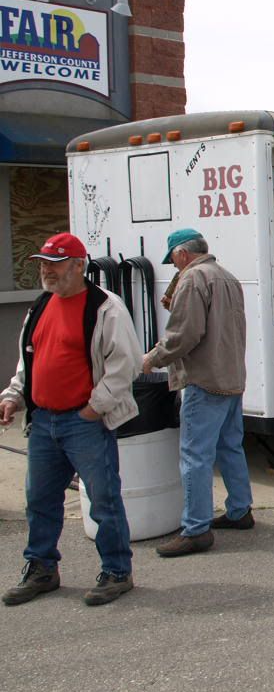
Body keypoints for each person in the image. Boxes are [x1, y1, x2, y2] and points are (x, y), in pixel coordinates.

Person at [1, 233, 142, 606]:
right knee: (40, 500)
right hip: (44, 422)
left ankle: (116, 571)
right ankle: (41, 568)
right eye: (42, 263)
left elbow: (125, 365)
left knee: (103, 500)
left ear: (78, 265)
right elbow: (28, 359)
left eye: (54, 263)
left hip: (84, 422)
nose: (46, 271)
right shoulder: (41, 305)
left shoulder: (105, 307)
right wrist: (14, 396)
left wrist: (94, 408)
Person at [144, 229, 254, 557]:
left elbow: (184, 335)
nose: (174, 267)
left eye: (173, 260)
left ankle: (196, 529)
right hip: (231, 377)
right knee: (230, 447)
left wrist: (152, 359)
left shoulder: (193, 279)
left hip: (204, 380)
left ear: (182, 254)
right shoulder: (227, 277)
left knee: (195, 456)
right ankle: (240, 510)